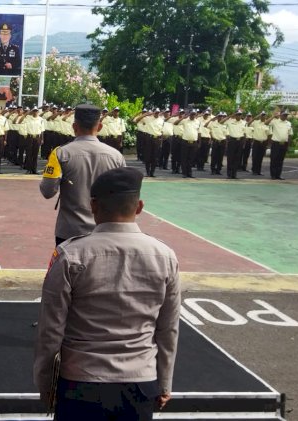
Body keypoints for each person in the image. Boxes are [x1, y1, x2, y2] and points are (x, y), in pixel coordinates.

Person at [34, 166, 180, 420]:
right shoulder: (164, 256)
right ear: (139, 207)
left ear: (93, 206)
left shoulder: (71, 255)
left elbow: (51, 330)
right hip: (139, 382)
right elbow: (168, 329)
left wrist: (47, 386)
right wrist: (164, 383)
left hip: (80, 380)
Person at [40, 104, 125, 246]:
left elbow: (47, 191)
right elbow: (122, 197)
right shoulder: (116, 156)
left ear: (74, 127)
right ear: (99, 127)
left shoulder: (60, 153)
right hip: (104, 231)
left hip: (70, 231)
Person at [266, 110, 293, 180]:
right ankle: (273, 175)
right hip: (276, 143)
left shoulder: (288, 123)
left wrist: (288, 146)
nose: (285, 116)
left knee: (280, 160)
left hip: (284, 144)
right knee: (274, 159)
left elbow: (290, 135)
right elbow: (266, 123)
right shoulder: (275, 121)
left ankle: (278, 175)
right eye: (284, 115)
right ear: (280, 115)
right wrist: (273, 116)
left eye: (286, 115)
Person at [18, 106, 45, 174]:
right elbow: (20, 121)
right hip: (29, 137)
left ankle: (34, 169)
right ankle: (28, 169)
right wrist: (26, 113)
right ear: (32, 111)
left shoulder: (41, 119)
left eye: (36, 111)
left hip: (37, 137)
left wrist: (42, 139)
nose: (35, 112)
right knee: (29, 154)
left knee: (35, 154)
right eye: (34, 111)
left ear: (38, 112)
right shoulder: (28, 118)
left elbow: (42, 130)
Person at [175, 109, 202, 178]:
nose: (193, 115)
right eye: (192, 114)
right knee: (184, 158)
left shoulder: (198, 122)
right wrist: (183, 118)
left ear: (196, 115)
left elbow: (199, 132)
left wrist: (199, 142)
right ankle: (184, 173)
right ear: (189, 114)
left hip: (194, 142)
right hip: (185, 141)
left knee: (191, 159)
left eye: (194, 114)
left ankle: (189, 173)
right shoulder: (185, 120)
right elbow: (175, 123)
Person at [224, 110, 247, 179]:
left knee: (237, 158)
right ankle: (229, 174)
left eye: (240, 114)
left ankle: (234, 174)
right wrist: (231, 115)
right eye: (237, 114)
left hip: (240, 141)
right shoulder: (230, 121)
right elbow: (221, 122)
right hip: (232, 141)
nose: (239, 116)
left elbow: (245, 133)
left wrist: (244, 143)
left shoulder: (244, 122)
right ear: (235, 115)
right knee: (230, 158)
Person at [249, 112, 270, 176]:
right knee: (255, 157)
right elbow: (248, 124)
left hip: (263, 142)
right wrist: (255, 117)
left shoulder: (267, 124)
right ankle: (254, 170)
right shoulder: (256, 122)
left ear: (266, 116)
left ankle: (258, 171)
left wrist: (268, 144)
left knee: (260, 157)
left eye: (264, 115)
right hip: (256, 142)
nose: (263, 116)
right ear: (260, 116)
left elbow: (269, 134)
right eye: (262, 115)